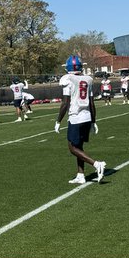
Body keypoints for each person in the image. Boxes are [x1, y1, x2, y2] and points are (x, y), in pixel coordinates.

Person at [55, 55, 106, 185]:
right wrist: (94, 121)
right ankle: (80, 175)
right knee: (79, 146)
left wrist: (58, 121)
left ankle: (96, 164)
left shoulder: (68, 79)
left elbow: (65, 103)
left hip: (76, 117)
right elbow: (92, 103)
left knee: (72, 148)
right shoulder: (87, 79)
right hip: (87, 116)